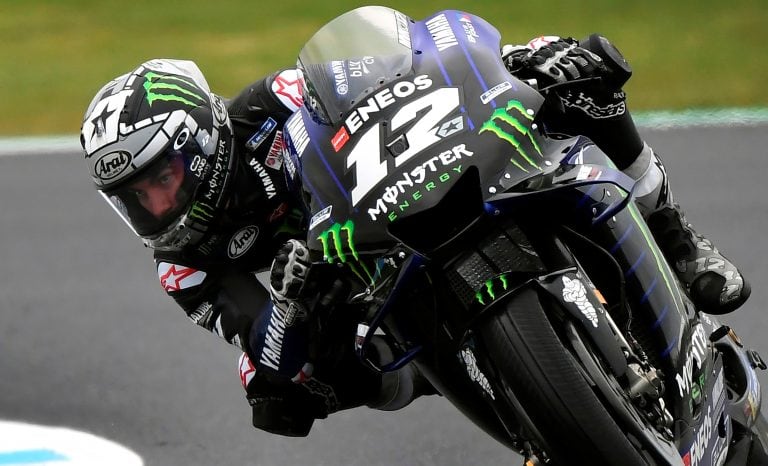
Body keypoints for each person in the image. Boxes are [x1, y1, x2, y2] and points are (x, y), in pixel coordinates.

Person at [79, 12, 749, 439]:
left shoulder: (272, 102)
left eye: (158, 181)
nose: (152, 207)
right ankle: (515, 411)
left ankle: (678, 241)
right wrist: (292, 301)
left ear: (198, 143)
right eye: (132, 196)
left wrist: (513, 65)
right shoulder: (184, 264)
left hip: (400, 195)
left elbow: (403, 82)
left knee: (577, 64)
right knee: (273, 395)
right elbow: (265, 348)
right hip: (349, 293)